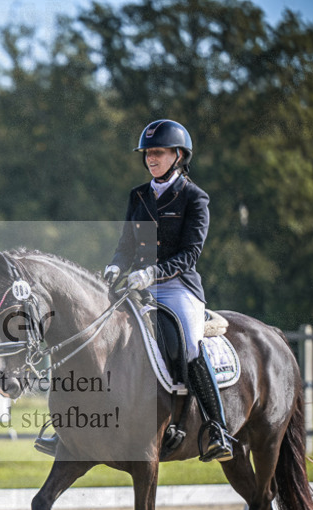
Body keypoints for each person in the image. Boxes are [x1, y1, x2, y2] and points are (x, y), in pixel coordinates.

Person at [103, 119, 233, 463]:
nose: (151, 158)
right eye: (147, 153)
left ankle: (217, 429)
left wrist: (152, 273)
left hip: (178, 287)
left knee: (190, 345)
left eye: (158, 152)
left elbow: (190, 254)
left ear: (178, 155)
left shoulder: (195, 197)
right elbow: (126, 244)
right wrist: (117, 265)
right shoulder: (139, 195)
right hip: (137, 285)